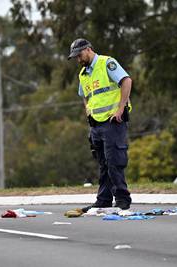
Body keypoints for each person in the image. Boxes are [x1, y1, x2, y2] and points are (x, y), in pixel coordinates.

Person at [68, 38, 132, 212]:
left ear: (88, 50)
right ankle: (103, 199)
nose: (78, 59)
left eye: (79, 55)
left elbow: (126, 81)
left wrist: (120, 109)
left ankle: (122, 199)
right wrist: (88, 111)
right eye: (75, 57)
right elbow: (85, 95)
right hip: (96, 125)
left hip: (113, 122)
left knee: (114, 162)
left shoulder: (106, 63)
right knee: (103, 164)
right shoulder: (83, 74)